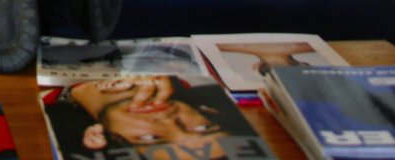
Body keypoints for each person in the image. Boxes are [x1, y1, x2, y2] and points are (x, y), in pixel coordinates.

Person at [43, 76, 251, 157]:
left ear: (99, 136)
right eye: (204, 127)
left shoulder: (33, 114)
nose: (168, 120)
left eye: (152, 138)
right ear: (211, 113)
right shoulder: (196, 74)